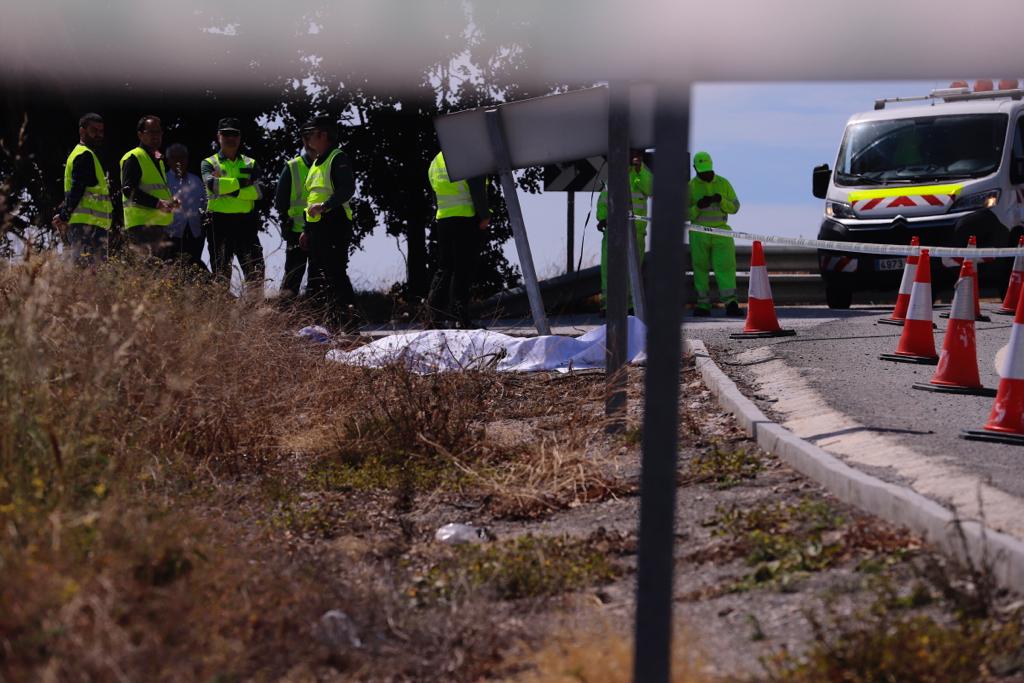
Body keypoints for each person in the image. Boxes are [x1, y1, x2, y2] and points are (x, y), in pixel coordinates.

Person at [300, 114, 357, 329]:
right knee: (316, 277)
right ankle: (320, 326)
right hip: (316, 227)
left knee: (335, 274)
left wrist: (325, 207)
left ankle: (349, 325)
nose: (307, 139)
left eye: (310, 133)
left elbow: (347, 189)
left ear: (323, 135)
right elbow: (311, 199)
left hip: (334, 223)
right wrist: (306, 229)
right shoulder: (316, 163)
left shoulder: (337, 158)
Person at [426, 150, 490, 328]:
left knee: (445, 268)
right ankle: (461, 319)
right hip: (465, 218)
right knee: (463, 269)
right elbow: (477, 189)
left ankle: (434, 317)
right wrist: (484, 215)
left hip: (444, 219)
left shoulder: (436, 160)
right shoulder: (466, 156)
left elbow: (434, 194)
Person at [201, 117, 265, 293]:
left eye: (234, 134)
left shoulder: (250, 163)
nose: (230, 138)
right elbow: (212, 185)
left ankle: (258, 317)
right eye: (226, 134)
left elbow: (259, 192)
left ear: (240, 137)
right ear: (218, 136)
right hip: (218, 225)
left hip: (246, 224)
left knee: (256, 275)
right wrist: (243, 184)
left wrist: (228, 187)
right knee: (221, 276)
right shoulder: (208, 162)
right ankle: (222, 318)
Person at [596, 149, 653, 312]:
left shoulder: (640, 175)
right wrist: (601, 219)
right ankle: (608, 305)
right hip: (613, 232)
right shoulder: (613, 177)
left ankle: (629, 305)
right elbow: (603, 201)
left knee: (632, 271)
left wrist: (639, 168)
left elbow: (651, 188)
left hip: (636, 233)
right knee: (609, 269)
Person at [53, 113, 112, 265]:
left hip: (87, 225)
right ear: (82, 131)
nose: (99, 135)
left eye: (101, 131)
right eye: (94, 130)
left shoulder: (83, 154)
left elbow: (77, 191)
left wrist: (64, 214)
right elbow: (77, 189)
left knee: (87, 276)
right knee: (89, 276)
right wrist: (64, 215)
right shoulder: (84, 155)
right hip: (88, 227)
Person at [688, 151, 742, 317]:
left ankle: (730, 303)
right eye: (703, 172)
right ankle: (703, 304)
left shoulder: (723, 183)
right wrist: (698, 206)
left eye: (708, 170)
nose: (706, 174)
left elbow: (735, 207)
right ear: (696, 169)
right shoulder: (691, 187)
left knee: (725, 267)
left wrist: (721, 200)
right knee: (700, 268)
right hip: (699, 233)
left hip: (721, 232)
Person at [120, 115, 177, 258]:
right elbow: (128, 190)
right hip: (142, 227)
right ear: (140, 134)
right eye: (150, 132)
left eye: (158, 132)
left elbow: (155, 189)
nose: (156, 136)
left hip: (158, 226)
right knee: (149, 273)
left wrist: (169, 202)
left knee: (161, 277)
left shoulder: (158, 160)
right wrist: (157, 203)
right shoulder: (134, 157)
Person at [274, 139, 315, 303]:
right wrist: (286, 224)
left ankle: (317, 321)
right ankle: (284, 320)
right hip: (296, 232)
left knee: (318, 280)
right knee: (292, 280)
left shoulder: (329, 165)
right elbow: (280, 202)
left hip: (322, 233)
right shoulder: (293, 166)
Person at [165, 143, 208, 274]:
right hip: (172, 234)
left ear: (187, 159)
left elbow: (205, 204)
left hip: (195, 233)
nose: (179, 161)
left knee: (193, 270)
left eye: (182, 157)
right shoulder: (163, 180)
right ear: (168, 160)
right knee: (174, 270)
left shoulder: (196, 181)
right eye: (174, 157)